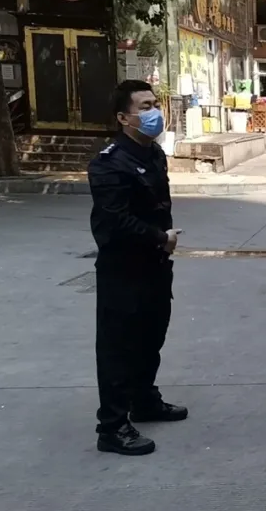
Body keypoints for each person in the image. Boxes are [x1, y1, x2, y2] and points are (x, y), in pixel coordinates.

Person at [89, 80, 188, 456]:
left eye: (154, 104)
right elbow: (115, 221)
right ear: (123, 117)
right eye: (144, 107)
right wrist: (160, 238)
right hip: (123, 268)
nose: (154, 112)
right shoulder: (109, 163)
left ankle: (144, 400)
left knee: (151, 336)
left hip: (155, 264)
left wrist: (161, 243)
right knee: (118, 347)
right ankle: (112, 427)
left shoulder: (155, 153)